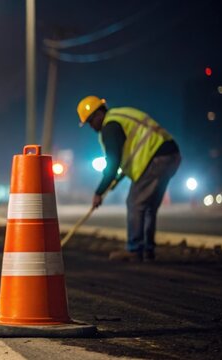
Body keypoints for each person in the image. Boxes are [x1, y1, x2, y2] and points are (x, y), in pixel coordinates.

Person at [77, 96, 181, 262]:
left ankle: (135, 249)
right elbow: (128, 157)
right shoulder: (120, 117)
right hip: (170, 155)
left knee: (135, 203)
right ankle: (147, 250)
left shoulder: (110, 127)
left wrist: (99, 192)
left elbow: (113, 162)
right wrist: (115, 182)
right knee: (148, 206)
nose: (91, 126)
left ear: (98, 115)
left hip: (155, 158)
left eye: (90, 121)